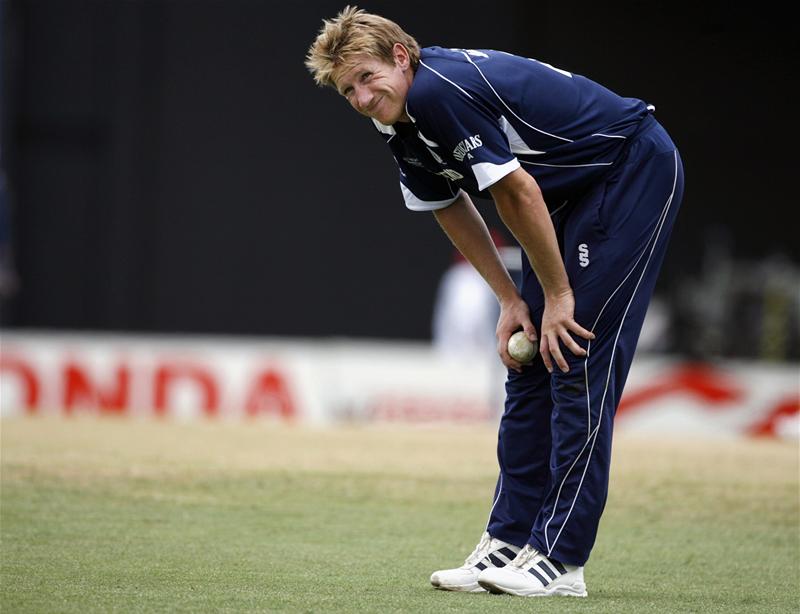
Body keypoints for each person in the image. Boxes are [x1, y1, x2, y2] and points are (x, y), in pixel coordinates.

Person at [305, 6, 683, 598]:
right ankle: (508, 541)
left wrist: (558, 294)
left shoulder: (434, 92)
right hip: (568, 191)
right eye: (347, 89)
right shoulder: (397, 118)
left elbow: (513, 189)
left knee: (574, 355)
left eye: (366, 77)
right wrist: (510, 299)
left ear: (400, 57)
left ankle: (560, 561)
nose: (359, 97)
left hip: (627, 166)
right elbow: (449, 207)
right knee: (529, 357)